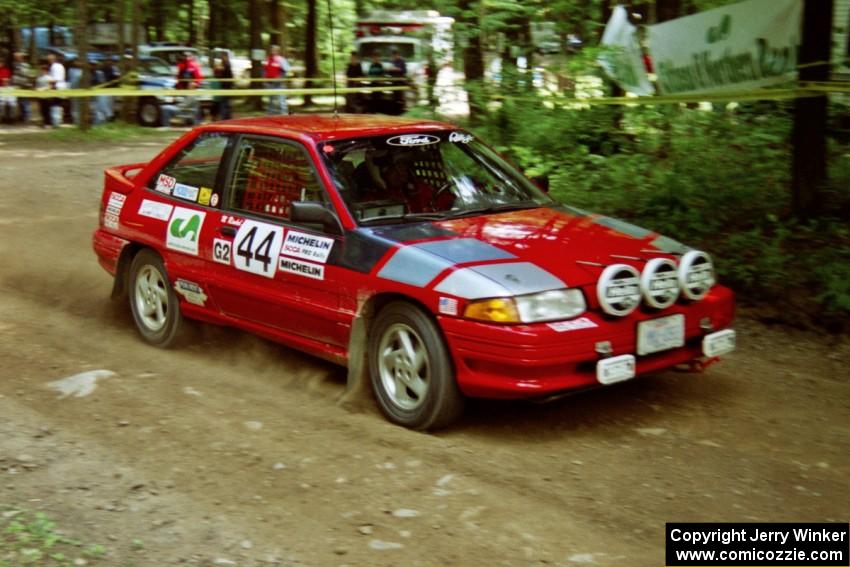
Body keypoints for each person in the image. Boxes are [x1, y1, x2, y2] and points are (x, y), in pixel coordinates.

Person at [175, 52, 203, 124]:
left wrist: (196, 84)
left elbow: (199, 77)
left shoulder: (195, 65)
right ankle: (185, 120)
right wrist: (179, 86)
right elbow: (178, 77)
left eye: (188, 56)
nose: (186, 57)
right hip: (183, 89)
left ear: (191, 57)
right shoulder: (180, 65)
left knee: (194, 105)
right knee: (185, 105)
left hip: (192, 89)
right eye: (184, 56)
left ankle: (197, 121)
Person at [264, 44, 290, 114]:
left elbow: (287, 69)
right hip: (270, 83)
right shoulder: (268, 59)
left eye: (275, 50)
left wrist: (281, 78)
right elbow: (265, 70)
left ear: (278, 51)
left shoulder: (281, 59)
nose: (273, 51)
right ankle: (270, 116)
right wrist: (265, 79)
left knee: (282, 101)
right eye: (272, 50)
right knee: (271, 101)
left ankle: (284, 116)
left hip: (279, 84)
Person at [46, 53, 67, 127]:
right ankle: (59, 120)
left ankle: (55, 122)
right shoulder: (61, 66)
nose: (48, 61)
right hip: (62, 86)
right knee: (60, 104)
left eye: (48, 60)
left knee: (55, 104)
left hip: (56, 86)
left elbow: (54, 79)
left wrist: (48, 86)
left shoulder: (53, 67)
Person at [11, 52, 32, 124]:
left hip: (24, 86)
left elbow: (25, 74)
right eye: (15, 57)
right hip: (17, 87)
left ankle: (27, 118)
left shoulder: (25, 65)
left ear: (21, 58)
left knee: (25, 103)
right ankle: (21, 116)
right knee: (19, 103)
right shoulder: (15, 64)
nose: (15, 59)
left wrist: (19, 68)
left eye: (17, 57)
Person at [213, 52, 233, 120]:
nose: (222, 57)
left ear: (226, 56)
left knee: (224, 104)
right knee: (225, 103)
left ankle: (225, 118)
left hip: (226, 87)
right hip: (224, 86)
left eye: (223, 56)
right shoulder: (225, 64)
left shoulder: (226, 65)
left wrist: (219, 70)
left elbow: (223, 75)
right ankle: (226, 117)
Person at [0, 58, 13, 123]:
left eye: (1, 63)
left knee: (11, 103)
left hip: (5, 88)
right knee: (1, 103)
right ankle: (2, 117)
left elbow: (7, 79)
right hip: (1, 89)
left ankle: (9, 118)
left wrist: (5, 81)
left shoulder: (6, 70)